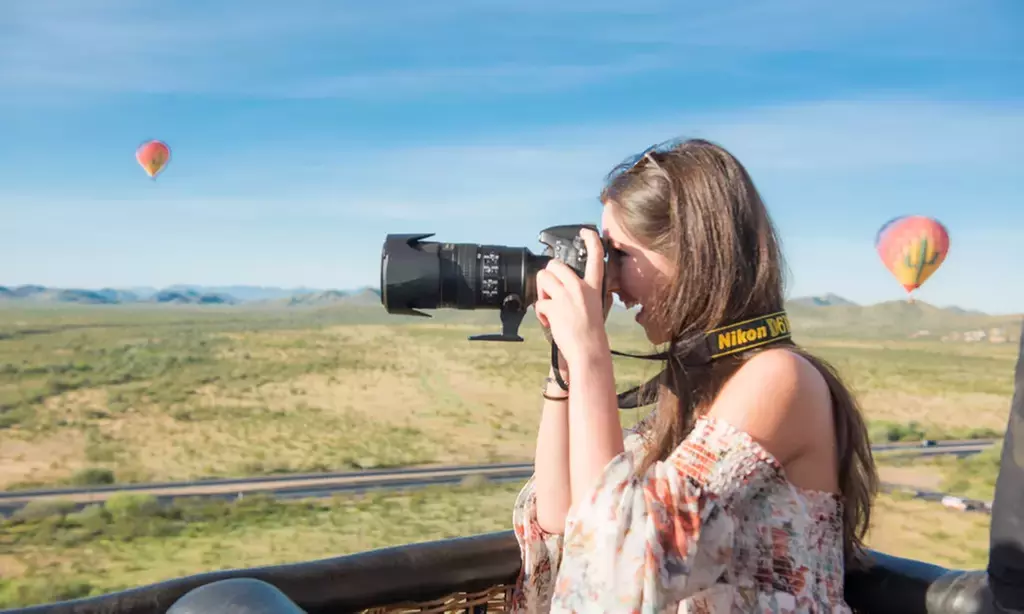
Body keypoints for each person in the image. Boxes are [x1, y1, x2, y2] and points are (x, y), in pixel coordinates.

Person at [511, 138, 879, 612]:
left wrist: (592, 356)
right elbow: (566, 519)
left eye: (618, 254)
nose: (612, 281)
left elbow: (621, 570)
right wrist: (566, 364)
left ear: (693, 249)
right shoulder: (694, 390)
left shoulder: (777, 378)